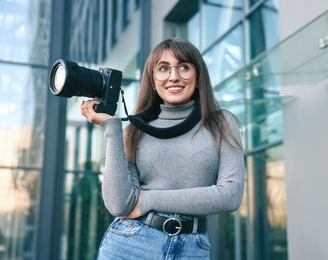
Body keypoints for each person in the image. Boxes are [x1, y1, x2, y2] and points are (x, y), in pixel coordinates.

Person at [80, 38, 245, 259]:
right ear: (153, 80)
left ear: (198, 78)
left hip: (192, 249)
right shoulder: (134, 130)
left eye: (184, 67)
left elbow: (230, 195)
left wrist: (148, 199)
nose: (173, 76)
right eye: (163, 68)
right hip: (130, 245)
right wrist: (112, 127)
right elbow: (119, 205)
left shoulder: (222, 123)